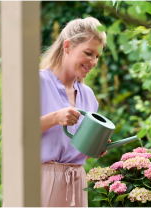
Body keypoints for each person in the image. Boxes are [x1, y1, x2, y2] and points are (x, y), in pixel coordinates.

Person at [39, 17, 107, 207]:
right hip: (40, 181)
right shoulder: (38, 83)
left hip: (77, 184)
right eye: (88, 53)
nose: (93, 61)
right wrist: (55, 118)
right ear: (67, 46)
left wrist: (97, 143)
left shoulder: (88, 96)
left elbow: (78, 146)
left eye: (97, 56)